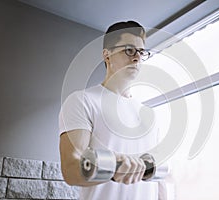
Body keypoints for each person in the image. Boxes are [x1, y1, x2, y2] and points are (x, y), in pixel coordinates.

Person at [59, 21, 167, 200]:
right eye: (129, 50)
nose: (137, 58)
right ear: (107, 55)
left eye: (141, 52)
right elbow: (71, 169)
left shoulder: (150, 115)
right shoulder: (82, 101)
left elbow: (158, 181)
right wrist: (114, 166)